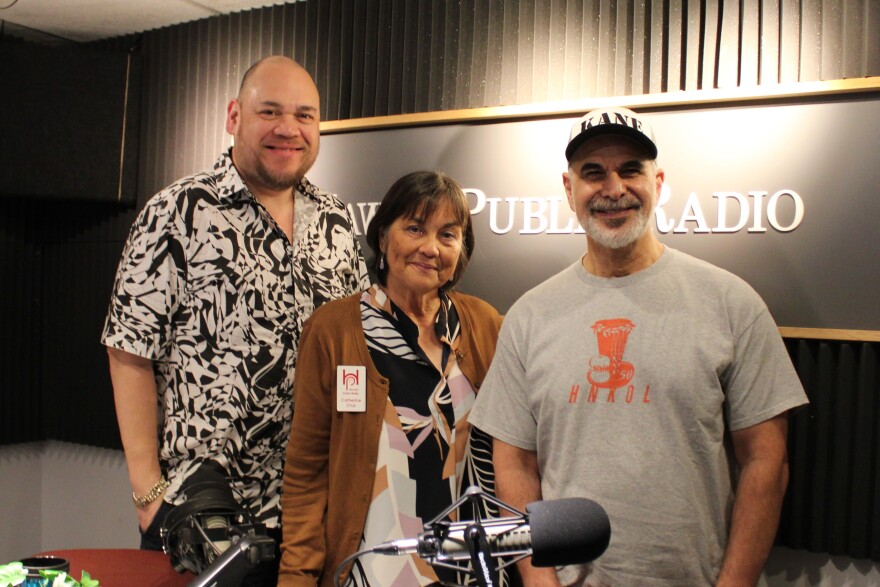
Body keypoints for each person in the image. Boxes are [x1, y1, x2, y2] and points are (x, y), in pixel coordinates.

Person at [468, 107, 809, 586]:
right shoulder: (529, 315)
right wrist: (541, 583)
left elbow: (766, 461)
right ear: (569, 189)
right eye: (593, 173)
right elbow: (514, 463)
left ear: (659, 182)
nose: (613, 188)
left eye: (631, 169)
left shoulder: (731, 302)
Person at [101, 55, 369, 583]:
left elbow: (352, 345)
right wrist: (148, 494)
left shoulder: (337, 219)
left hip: (314, 514)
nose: (288, 129)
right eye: (269, 111)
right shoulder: (176, 212)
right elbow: (128, 351)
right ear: (233, 116)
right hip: (204, 517)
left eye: (305, 116)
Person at [277, 171, 507, 587]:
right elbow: (306, 472)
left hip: (471, 571)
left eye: (448, 235)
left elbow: (513, 457)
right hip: (373, 571)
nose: (430, 248)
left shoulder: (484, 324)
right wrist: (296, 576)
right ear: (383, 237)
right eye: (415, 228)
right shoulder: (333, 331)